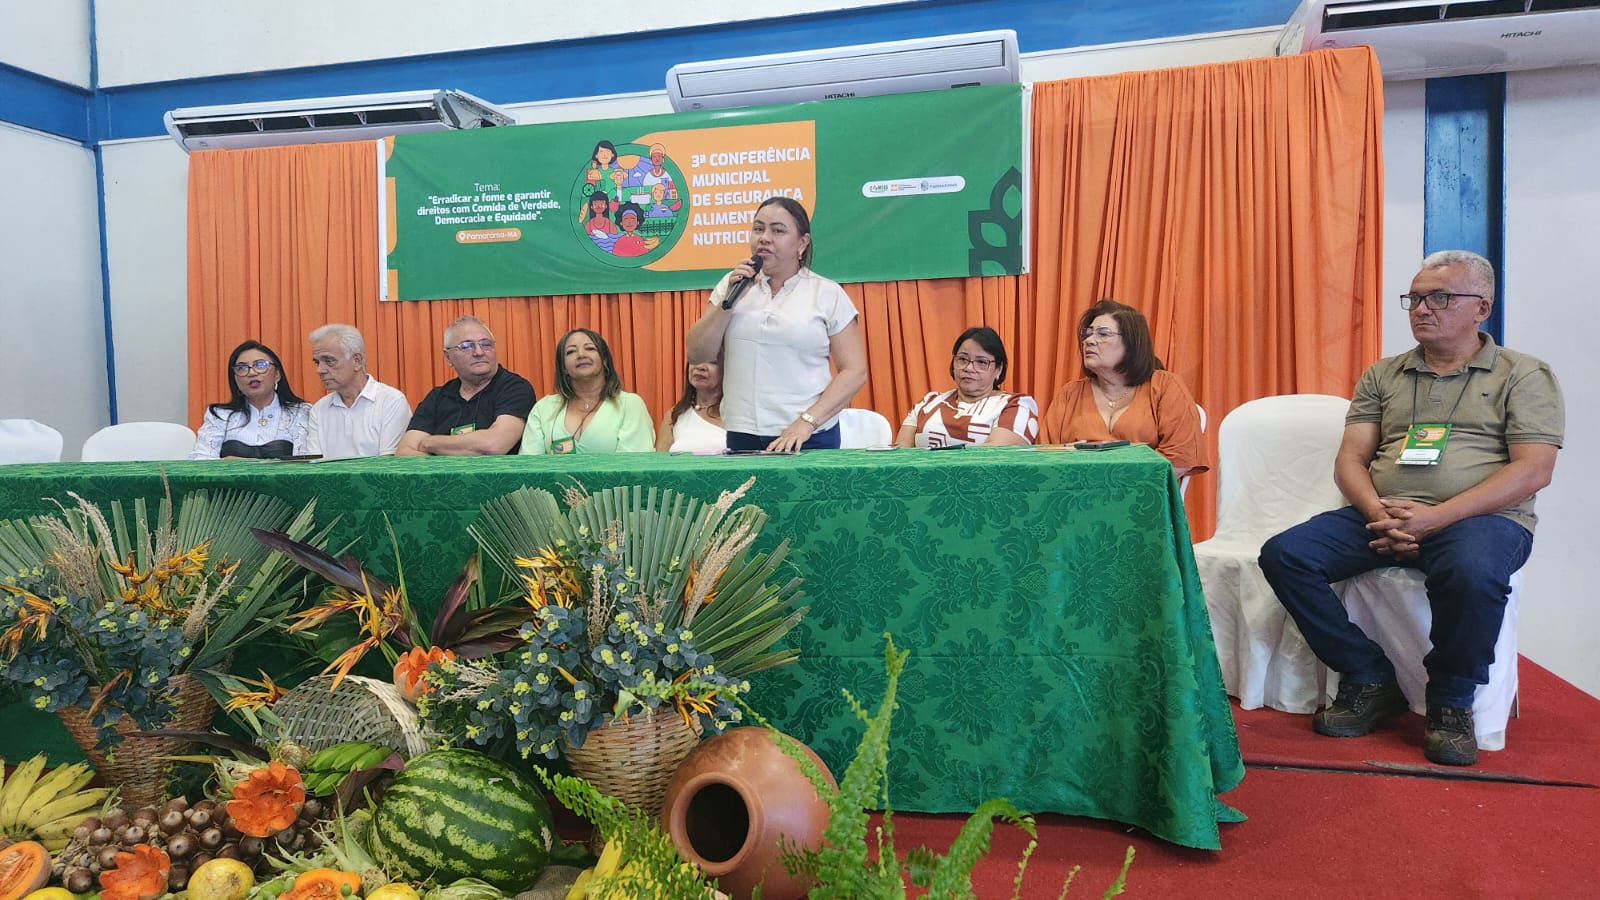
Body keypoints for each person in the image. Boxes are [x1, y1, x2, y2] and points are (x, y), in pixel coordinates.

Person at [1258, 250, 1563, 767]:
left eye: (1440, 297)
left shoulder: (1524, 374)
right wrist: (1378, 514)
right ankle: (1367, 675)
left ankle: (1450, 702)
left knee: (1471, 570)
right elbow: (1350, 459)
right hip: (1383, 513)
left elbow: (1533, 470)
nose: (1422, 309)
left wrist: (1436, 518)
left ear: (1482, 307)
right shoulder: (1385, 374)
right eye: (1416, 298)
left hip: (1482, 520)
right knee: (1286, 555)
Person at [685, 196, 868, 451]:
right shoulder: (731, 286)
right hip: (742, 433)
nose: (764, 238)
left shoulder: (826, 293)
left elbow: (855, 371)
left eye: (778, 231)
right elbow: (697, 353)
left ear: (802, 243)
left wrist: (806, 423)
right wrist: (728, 301)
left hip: (808, 436)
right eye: (758, 229)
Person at [1040, 299, 1207, 478]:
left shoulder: (1165, 385)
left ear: (1131, 343)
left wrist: (1112, 482)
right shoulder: (1069, 394)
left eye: (1103, 334)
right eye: (1088, 333)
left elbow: (1180, 460)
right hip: (1076, 491)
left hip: (1144, 491)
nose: (1089, 340)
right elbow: (1045, 457)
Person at [396, 316, 535, 456]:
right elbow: (404, 452)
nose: (479, 352)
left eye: (486, 344)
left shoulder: (515, 388)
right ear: (448, 357)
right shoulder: (437, 397)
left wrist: (429, 443)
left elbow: (494, 445)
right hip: (440, 472)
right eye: (466, 346)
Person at [895, 327, 1038, 448]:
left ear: (998, 370)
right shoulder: (928, 402)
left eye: (981, 362)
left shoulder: (1016, 405)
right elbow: (901, 454)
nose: (969, 368)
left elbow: (996, 456)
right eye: (962, 359)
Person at [520, 328, 653, 455]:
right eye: (571, 352)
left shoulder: (629, 404)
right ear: (563, 367)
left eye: (590, 348)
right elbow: (529, 465)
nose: (581, 355)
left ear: (604, 360)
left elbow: (634, 464)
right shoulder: (544, 408)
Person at [188, 340, 312, 459]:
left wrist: (242, 463)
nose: (251, 373)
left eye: (260, 365)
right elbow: (200, 460)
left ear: (277, 375)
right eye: (241, 368)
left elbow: (305, 462)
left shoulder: (300, 412)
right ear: (235, 379)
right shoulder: (220, 415)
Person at [304, 323, 412, 459]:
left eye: (329, 361)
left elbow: (388, 463)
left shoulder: (391, 401)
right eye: (317, 363)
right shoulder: (319, 409)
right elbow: (314, 464)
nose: (319, 370)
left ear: (357, 361)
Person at [657, 359, 727, 453]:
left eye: (712, 362)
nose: (700, 367)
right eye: (695, 359)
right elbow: (661, 460)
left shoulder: (740, 415)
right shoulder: (675, 415)